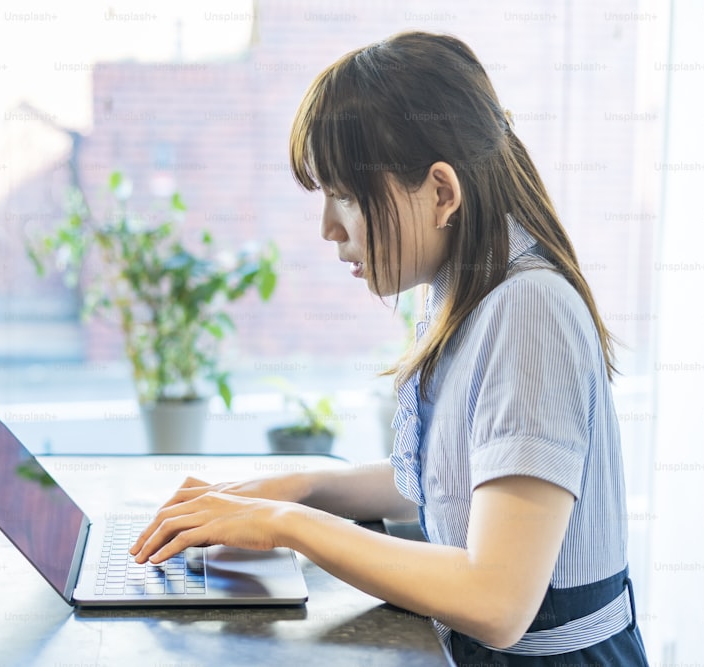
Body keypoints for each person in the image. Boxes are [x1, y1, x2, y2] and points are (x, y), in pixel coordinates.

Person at [131, 31, 649, 666]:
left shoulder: (529, 308)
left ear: (440, 193)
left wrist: (288, 525)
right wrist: (291, 488)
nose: (327, 228)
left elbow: (498, 602)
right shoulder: (466, 283)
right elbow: (449, 486)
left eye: (344, 196)